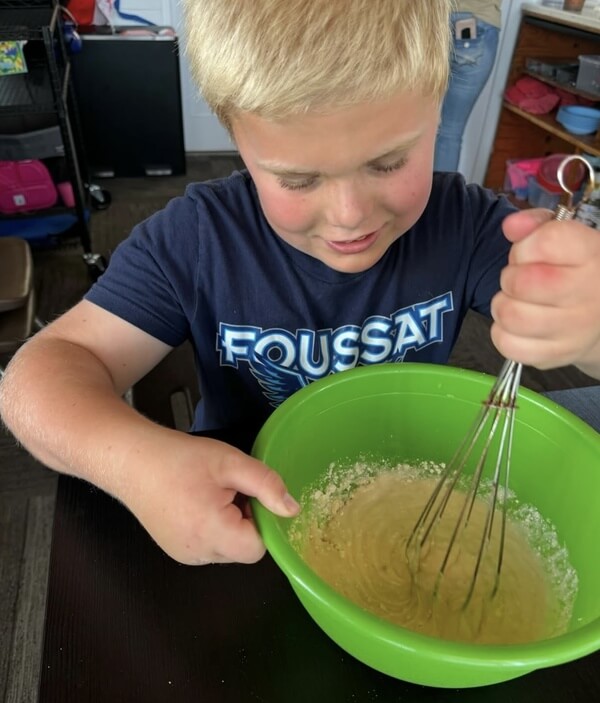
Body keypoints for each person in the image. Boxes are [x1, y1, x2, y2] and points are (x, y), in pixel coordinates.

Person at [1, 0, 600, 568]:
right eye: (297, 180)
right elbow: (36, 381)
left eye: (388, 163)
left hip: (417, 496)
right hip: (244, 523)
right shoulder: (197, 241)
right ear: (238, 138)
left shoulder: (466, 225)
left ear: (438, 108)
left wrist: (587, 324)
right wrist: (138, 466)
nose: (349, 214)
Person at [434, 1, 501, 172]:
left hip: (433, 20)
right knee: (450, 132)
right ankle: (441, 198)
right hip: (477, 22)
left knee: (410, 125)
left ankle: (392, 196)